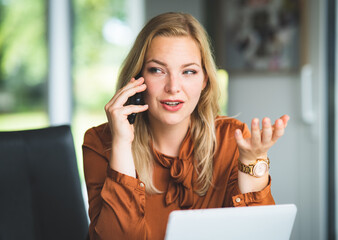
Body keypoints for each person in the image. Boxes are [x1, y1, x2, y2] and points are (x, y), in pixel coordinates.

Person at [82, 12, 289, 240]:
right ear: (137, 78)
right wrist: (121, 144)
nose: (173, 87)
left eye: (188, 71)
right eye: (157, 70)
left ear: (204, 80)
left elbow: (257, 235)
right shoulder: (100, 142)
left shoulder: (232, 138)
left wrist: (252, 163)